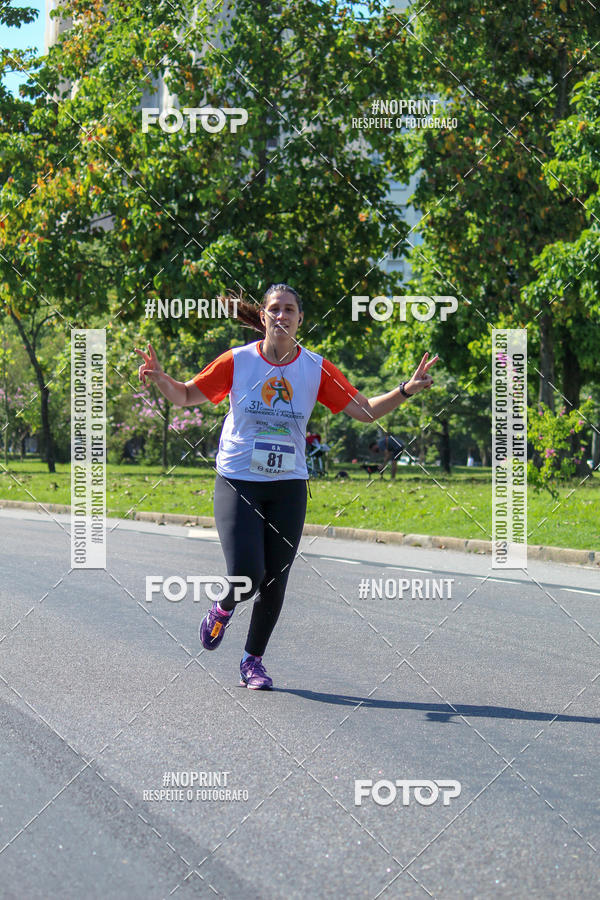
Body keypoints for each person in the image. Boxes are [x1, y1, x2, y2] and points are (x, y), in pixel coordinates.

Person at [135, 283, 438, 690]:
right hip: (239, 480)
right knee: (246, 574)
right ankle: (222, 610)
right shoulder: (238, 361)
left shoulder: (315, 367)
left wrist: (405, 390)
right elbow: (188, 394)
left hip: (288, 483)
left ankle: (251, 661)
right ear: (263, 317)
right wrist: (160, 378)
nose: (282, 315)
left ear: (299, 319)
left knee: (276, 577)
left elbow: (364, 411)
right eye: (274, 308)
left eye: (290, 309)